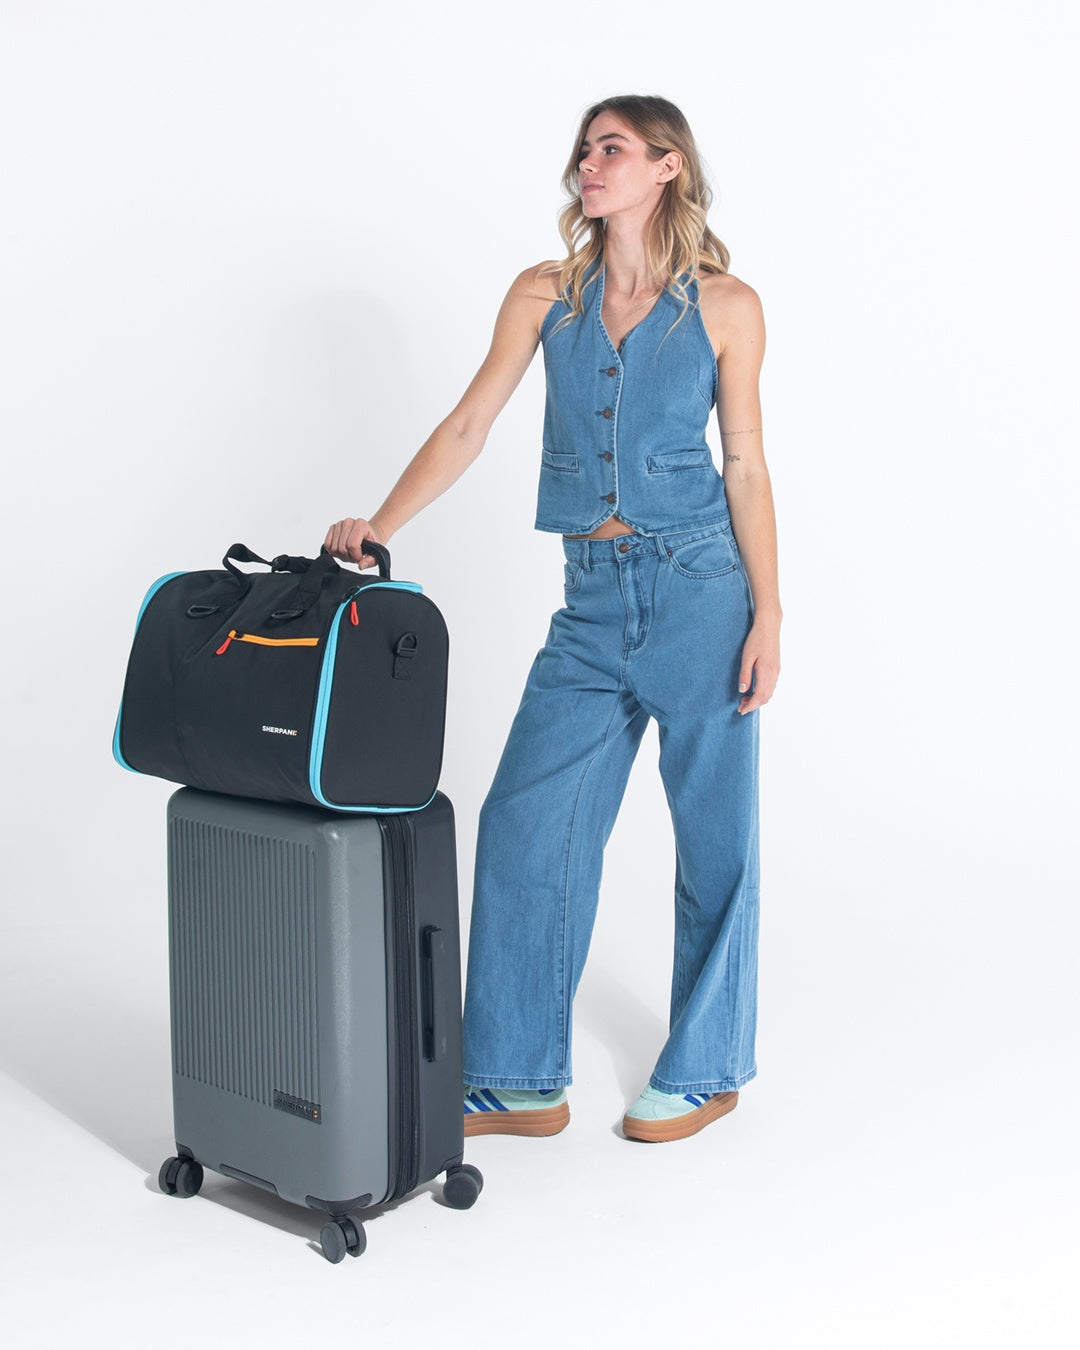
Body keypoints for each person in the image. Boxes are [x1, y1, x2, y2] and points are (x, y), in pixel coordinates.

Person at [326, 94, 781, 1144]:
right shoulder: (546, 293)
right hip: (590, 600)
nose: (590, 164)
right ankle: (518, 1075)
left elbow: (747, 465)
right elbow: (470, 421)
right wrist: (382, 523)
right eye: (584, 150)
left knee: (716, 839)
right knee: (524, 822)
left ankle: (708, 1066)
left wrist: (769, 612)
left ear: (666, 166)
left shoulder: (727, 305)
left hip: (703, 591)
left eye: (612, 148)